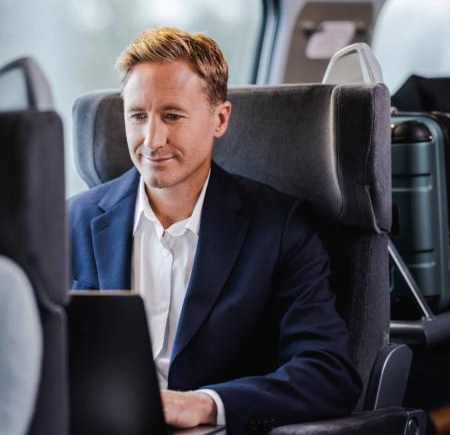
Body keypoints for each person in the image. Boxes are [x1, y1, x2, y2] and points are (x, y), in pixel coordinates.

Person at [70, 27, 361, 434]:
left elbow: (328, 374)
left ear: (220, 119)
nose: (151, 139)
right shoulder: (74, 221)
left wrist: (205, 405)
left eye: (172, 115)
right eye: (138, 116)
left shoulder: (278, 227)